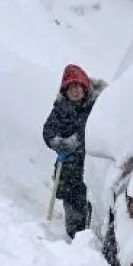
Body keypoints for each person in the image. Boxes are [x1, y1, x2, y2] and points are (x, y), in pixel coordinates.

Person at [42, 64, 108, 240]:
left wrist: (77, 139)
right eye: (71, 88)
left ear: (85, 87)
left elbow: (98, 129)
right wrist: (56, 142)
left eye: (78, 87)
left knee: (92, 202)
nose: (75, 91)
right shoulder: (61, 108)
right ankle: (74, 240)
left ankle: (94, 237)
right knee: (72, 202)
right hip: (69, 167)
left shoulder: (96, 107)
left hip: (91, 164)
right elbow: (48, 129)